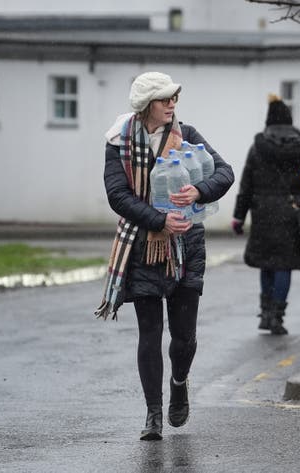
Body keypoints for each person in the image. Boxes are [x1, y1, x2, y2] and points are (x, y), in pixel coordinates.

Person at [95, 71, 234, 441]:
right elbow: (117, 195)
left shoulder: (187, 135)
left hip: (187, 245)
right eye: (164, 99)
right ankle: (153, 414)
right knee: (150, 333)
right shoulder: (118, 143)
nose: (172, 104)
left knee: (184, 336)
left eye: (174, 97)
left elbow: (225, 172)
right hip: (142, 245)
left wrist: (198, 192)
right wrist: (159, 220)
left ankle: (180, 381)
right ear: (146, 107)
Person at [231, 94, 300, 335]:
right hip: (291, 212)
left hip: (263, 212)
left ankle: (265, 314)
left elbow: (246, 184)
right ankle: (278, 317)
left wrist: (238, 216)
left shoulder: (258, 147)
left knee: (266, 263)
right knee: (284, 266)